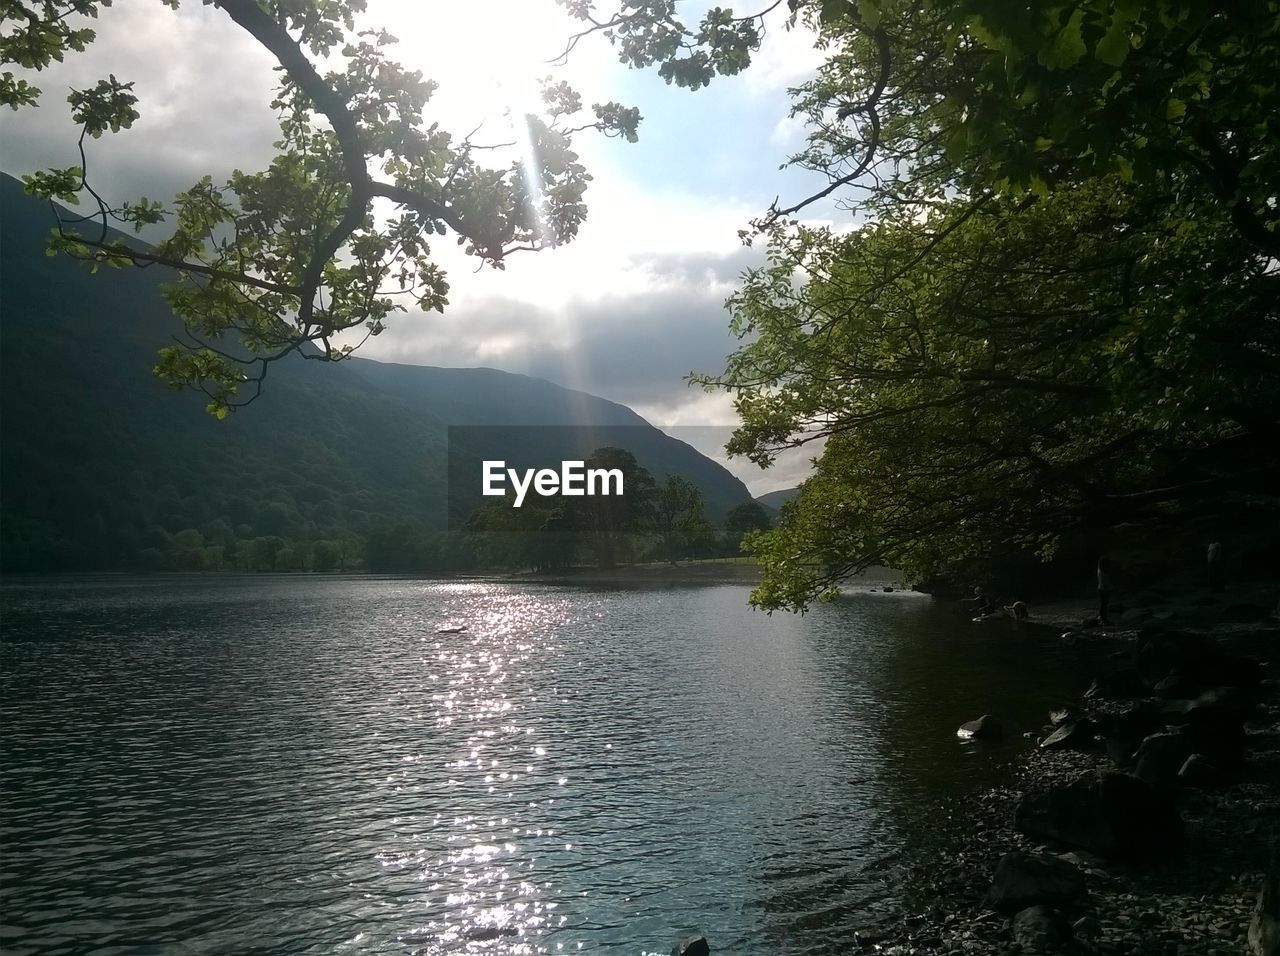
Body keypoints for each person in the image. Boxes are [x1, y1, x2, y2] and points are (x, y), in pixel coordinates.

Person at [1097, 555, 1113, 625]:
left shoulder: (1100, 570)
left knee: (1103, 605)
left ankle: (1103, 619)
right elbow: (1104, 582)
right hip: (1104, 589)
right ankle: (1104, 620)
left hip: (1101, 588)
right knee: (1104, 605)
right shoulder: (1103, 571)